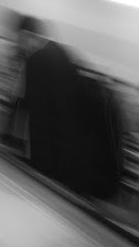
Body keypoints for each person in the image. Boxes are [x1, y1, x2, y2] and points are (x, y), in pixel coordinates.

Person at [14, 15, 122, 199]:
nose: (19, 47)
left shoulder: (37, 62)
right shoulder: (63, 55)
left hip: (58, 167)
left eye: (18, 41)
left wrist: (38, 171)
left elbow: (41, 122)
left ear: (26, 36)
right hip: (78, 166)